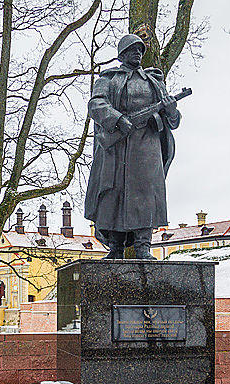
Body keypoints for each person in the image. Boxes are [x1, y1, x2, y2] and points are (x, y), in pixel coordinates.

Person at [85, 33, 181, 259]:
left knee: (146, 194)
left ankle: (143, 246)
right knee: (113, 193)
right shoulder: (108, 79)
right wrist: (117, 119)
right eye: (132, 50)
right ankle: (115, 247)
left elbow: (173, 120)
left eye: (140, 50)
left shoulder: (154, 81)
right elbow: (96, 104)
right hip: (117, 146)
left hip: (147, 145)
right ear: (122, 54)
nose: (137, 53)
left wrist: (171, 109)